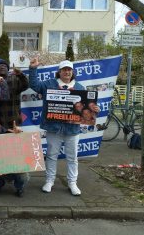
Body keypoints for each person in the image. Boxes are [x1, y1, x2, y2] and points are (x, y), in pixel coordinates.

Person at [28, 58, 100, 196]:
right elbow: (34, 85)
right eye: (64, 70)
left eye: (69, 70)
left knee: (72, 157)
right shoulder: (49, 84)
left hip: (72, 130)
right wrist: (33, 69)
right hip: (54, 128)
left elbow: (87, 108)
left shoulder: (80, 87)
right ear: (59, 72)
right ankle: (49, 181)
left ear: (72, 72)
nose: (67, 72)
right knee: (51, 155)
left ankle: (72, 182)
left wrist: (94, 109)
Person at [0, 61, 29, 129]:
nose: (2, 67)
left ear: (8, 70)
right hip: (0, 121)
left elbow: (26, 85)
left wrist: (20, 74)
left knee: (16, 139)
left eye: (4, 66)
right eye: (0, 66)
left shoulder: (15, 79)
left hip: (14, 120)